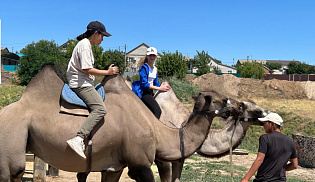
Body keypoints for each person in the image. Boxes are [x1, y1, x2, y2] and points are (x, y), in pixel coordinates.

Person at [66, 21, 119, 159]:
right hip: (80, 84)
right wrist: (107, 72)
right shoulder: (84, 45)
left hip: (83, 82)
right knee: (100, 109)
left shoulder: (86, 45)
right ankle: (79, 138)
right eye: (102, 36)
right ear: (96, 33)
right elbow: (87, 69)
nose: (102, 39)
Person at [241, 112, 298, 182]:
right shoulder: (290, 141)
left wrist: (246, 179)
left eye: (265, 123)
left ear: (272, 124)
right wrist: (279, 169)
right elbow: (294, 165)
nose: (263, 125)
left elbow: (259, 159)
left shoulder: (265, 138)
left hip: (264, 180)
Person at [132, 47, 170, 119]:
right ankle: (154, 129)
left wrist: (162, 85)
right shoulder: (144, 68)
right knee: (157, 111)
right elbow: (145, 84)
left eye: (153, 55)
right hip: (144, 92)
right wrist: (159, 88)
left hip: (151, 92)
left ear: (156, 56)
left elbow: (155, 83)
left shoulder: (155, 69)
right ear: (147, 56)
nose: (152, 57)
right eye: (150, 55)